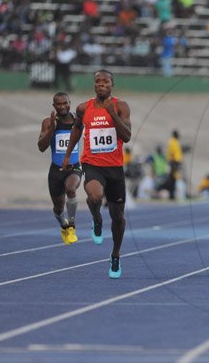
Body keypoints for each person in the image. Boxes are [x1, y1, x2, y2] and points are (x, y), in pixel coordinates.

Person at [62, 69, 132, 279]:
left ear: (112, 85)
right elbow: (76, 130)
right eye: (98, 82)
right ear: (94, 85)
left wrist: (112, 114)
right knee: (94, 196)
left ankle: (116, 254)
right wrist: (67, 156)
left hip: (115, 168)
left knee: (118, 217)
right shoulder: (84, 108)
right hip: (92, 164)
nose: (101, 84)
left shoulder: (121, 106)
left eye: (105, 82)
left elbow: (127, 136)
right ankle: (96, 218)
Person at [37, 92, 82, 245]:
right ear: (54, 106)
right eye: (59, 104)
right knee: (58, 207)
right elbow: (41, 147)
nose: (62, 107)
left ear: (70, 102)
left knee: (71, 189)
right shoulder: (48, 122)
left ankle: (72, 224)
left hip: (74, 167)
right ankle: (64, 225)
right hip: (56, 170)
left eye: (65, 103)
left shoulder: (78, 121)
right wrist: (52, 129)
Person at [165, 129, 183, 200]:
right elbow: (172, 153)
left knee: (174, 178)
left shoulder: (175, 141)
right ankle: (171, 194)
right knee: (172, 179)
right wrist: (173, 162)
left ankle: (172, 194)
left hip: (175, 162)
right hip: (174, 162)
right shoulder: (173, 142)